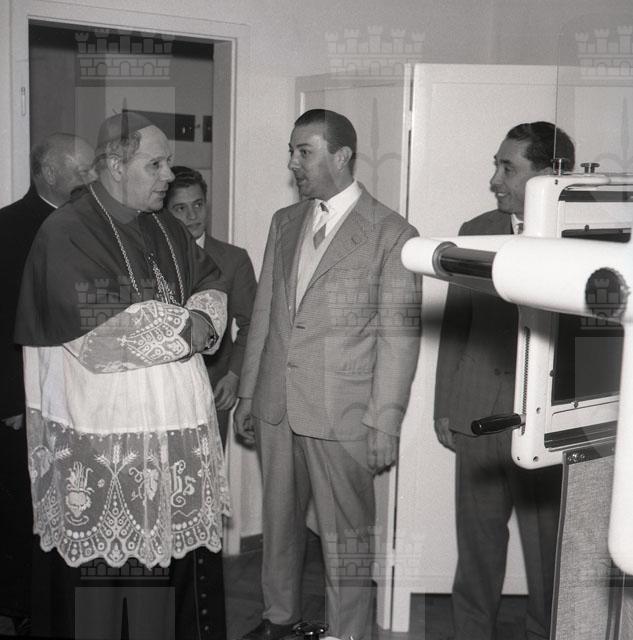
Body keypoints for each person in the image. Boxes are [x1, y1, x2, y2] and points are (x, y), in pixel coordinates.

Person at [15, 112, 229, 640]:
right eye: (155, 164)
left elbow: (211, 284)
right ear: (114, 165)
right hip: (108, 441)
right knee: (110, 587)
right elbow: (104, 334)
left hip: (173, 433)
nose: (168, 176)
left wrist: (201, 319)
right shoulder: (66, 231)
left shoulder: (165, 225)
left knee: (174, 572)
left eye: (168, 163)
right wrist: (189, 327)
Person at [234, 109, 421, 640]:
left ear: (341, 156)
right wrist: (248, 393)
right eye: (292, 152)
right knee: (279, 525)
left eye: (305, 151)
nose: (293, 163)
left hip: (344, 413)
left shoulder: (392, 233)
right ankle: (279, 619)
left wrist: (385, 422)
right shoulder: (284, 222)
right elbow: (266, 313)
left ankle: (347, 632)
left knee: (347, 536)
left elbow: (399, 337)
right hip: (276, 403)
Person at [434, 121, 575, 640]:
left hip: (546, 426)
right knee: (476, 551)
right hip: (477, 415)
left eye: (508, 168)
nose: (495, 180)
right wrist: (445, 404)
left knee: (547, 556)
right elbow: (456, 323)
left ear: (549, 174)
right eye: (496, 165)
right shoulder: (475, 231)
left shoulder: (585, 237)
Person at [0, 132, 95, 636]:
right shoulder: (7, 228)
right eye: (81, 171)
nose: (91, 178)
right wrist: (11, 400)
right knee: (23, 507)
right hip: (23, 401)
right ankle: (23, 609)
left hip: (76, 397)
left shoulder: (89, 226)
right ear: (49, 173)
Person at [165, 166, 257, 446]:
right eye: (180, 208)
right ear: (165, 212)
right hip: (163, 390)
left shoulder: (233, 259)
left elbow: (252, 325)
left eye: (198, 205)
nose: (192, 215)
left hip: (214, 390)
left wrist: (234, 376)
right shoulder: (151, 259)